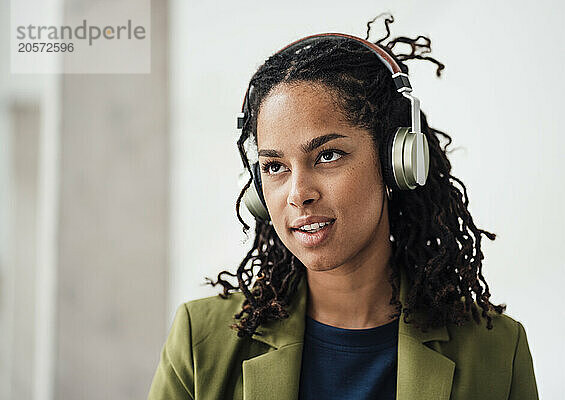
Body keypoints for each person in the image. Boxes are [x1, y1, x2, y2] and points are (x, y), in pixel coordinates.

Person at [148, 14, 539, 400]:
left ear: (395, 163)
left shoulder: (497, 351)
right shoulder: (199, 341)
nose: (298, 193)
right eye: (274, 167)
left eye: (328, 155)